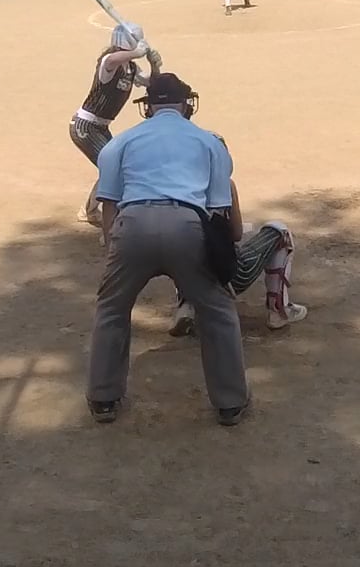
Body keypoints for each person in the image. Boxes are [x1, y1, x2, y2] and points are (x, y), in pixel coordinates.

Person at [87, 73, 250, 427]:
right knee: (218, 310)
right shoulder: (209, 142)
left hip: (132, 224)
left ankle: (103, 398)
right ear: (186, 104)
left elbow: (108, 204)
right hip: (187, 226)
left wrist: (113, 249)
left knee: (112, 307)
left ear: (148, 107)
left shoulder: (121, 142)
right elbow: (218, 211)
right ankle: (230, 403)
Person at [168, 182, 308, 337]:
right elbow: (237, 234)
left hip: (187, 274)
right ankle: (279, 310)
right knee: (279, 230)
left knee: (182, 246)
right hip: (229, 276)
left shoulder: (174, 184)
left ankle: (186, 305)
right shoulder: (224, 183)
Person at [70, 22, 162, 225]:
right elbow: (111, 59)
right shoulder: (109, 62)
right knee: (115, 168)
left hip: (101, 128)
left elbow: (151, 84)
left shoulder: (130, 67)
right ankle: (96, 213)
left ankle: (89, 210)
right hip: (85, 126)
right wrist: (137, 52)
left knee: (116, 165)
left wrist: (154, 65)